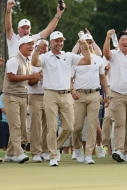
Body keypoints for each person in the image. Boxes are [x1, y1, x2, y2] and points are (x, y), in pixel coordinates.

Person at [31, 31, 91, 167]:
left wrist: (85, 47)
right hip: (50, 93)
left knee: (70, 127)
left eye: (61, 41)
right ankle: (53, 155)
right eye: (57, 41)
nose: (59, 43)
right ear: (51, 43)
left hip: (66, 94)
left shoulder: (68, 56)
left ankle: (54, 146)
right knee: (51, 126)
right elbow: (34, 61)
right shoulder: (45, 56)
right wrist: (37, 48)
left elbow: (87, 60)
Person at [71, 33, 109, 164]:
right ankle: (77, 148)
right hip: (79, 95)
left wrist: (107, 94)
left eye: (89, 42)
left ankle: (88, 154)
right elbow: (70, 79)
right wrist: (72, 90)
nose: (87, 44)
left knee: (93, 125)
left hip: (94, 94)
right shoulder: (75, 59)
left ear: (92, 44)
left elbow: (103, 77)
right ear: (80, 45)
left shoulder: (98, 59)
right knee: (77, 126)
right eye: (84, 42)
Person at [3, 36, 41, 164]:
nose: (31, 46)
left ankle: (9, 154)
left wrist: (37, 76)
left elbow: (29, 82)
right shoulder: (14, 59)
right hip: (11, 96)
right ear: (20, 46)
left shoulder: (29, 60)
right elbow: (12, 77)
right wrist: (31, 75)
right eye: (28, 44)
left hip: (24, 96)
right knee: (16, 125)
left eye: (32, 44)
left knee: (23, 127)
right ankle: (19, 152)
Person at [103, 29, 127, 163]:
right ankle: (119, 150)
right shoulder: (115, 54)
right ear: (119, 42)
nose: (125, 41)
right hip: (117, 95)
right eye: (122, 39)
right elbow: (106, 53)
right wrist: (108, 37)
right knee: (120, 123)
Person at [28, 40, 50, 162]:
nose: (43, 49)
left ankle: (46, 150)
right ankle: (36, 152)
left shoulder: (50, 60)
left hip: (48, 95)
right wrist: (37, 76)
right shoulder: (32, 62)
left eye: (45, 47)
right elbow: (29, 83)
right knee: (36, 125)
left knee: (48, 125)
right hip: (35, 95)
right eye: (41, 47)